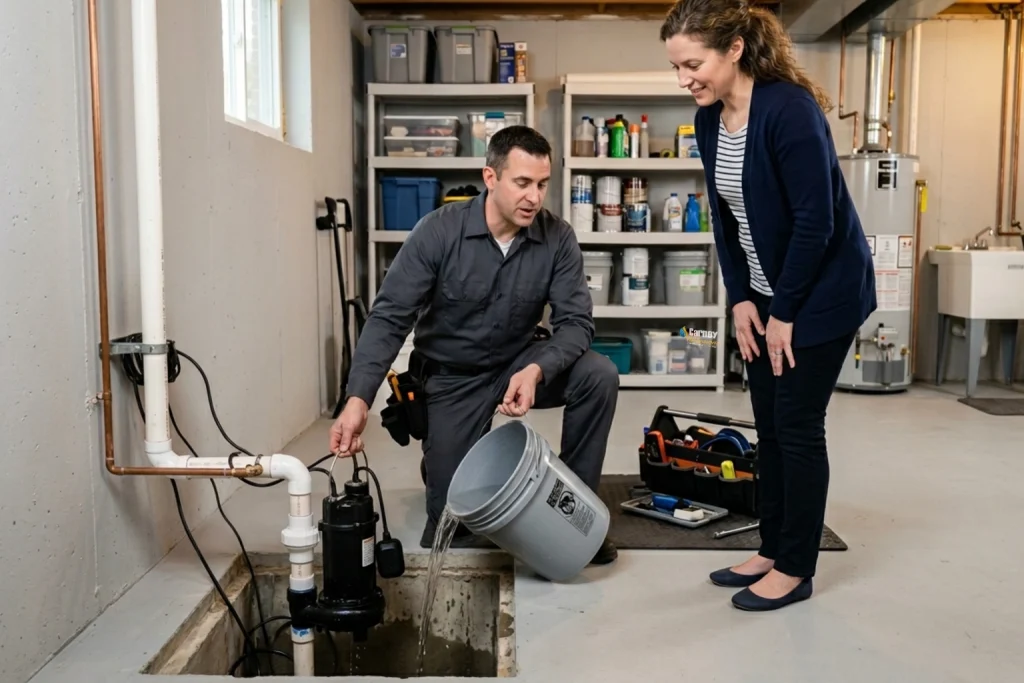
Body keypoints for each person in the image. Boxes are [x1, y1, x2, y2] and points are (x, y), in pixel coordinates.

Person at [660, 0, 876, 611]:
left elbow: (817, 221)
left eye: (693, 64)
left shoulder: (787, 110)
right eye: (676, 68)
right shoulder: (709, 120)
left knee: (798, 428)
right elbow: (727, 221)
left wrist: (784, 313)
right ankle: (772, 546)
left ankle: (796, 567)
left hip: (821, 296)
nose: (685, 80)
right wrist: (742, 299)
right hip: (766, 297)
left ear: (732, 50)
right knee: (770, 427)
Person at [329, 126, 620, 564]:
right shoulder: (437, 233)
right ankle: (445, 457)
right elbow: (389, 318)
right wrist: (357, 400)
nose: (534, 197)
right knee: (451, 526)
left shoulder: (556, 237)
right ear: (490, 177)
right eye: (522, 183)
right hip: (453, 377)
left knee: (598, 374)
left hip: (520, 363)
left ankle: (574, 514)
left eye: (542, 185)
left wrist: (536, 369)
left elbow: (576, 323)